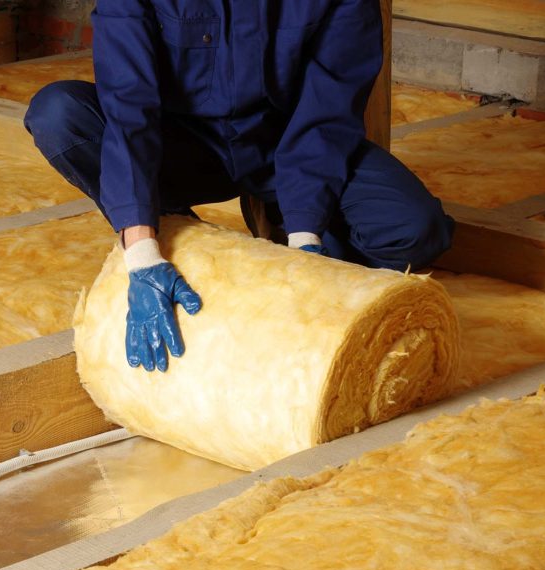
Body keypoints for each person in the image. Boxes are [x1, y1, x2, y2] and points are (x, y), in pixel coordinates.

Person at [24, 0, 455, 373]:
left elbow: (325, 116)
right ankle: (183, 237)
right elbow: (129, 106)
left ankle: (280, 216)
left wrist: (306, 238)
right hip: (180, 145)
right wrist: (142, 255)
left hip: (282, 146)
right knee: (58, 114)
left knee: (416, 228)